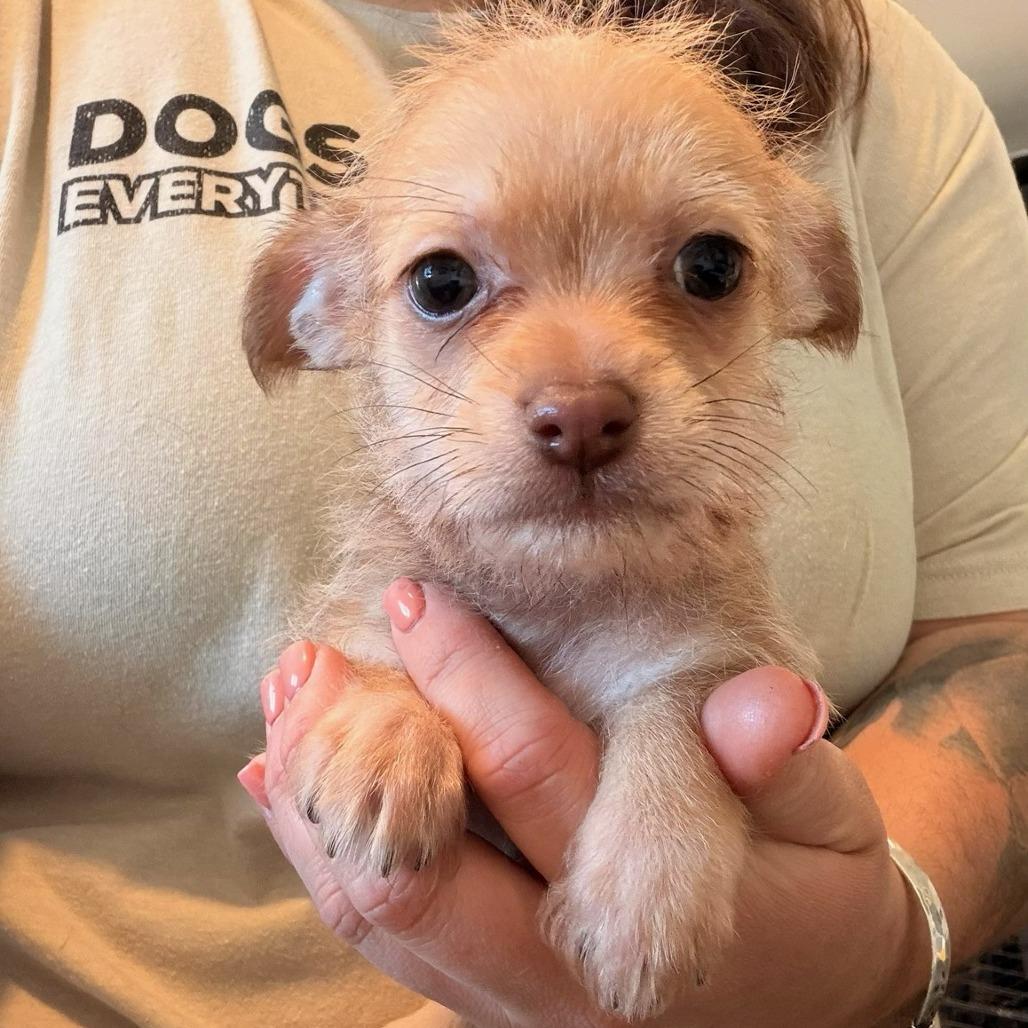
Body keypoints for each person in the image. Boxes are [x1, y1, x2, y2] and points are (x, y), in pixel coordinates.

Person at [0, 0, 1025, 1025]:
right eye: (446, 285)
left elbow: (984, 628)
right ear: (321, 310)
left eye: (703, 271)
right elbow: (351, 677)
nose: (579, 400)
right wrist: (377, 710)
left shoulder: (890, 77)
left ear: (799, 282)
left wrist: (881, 941)